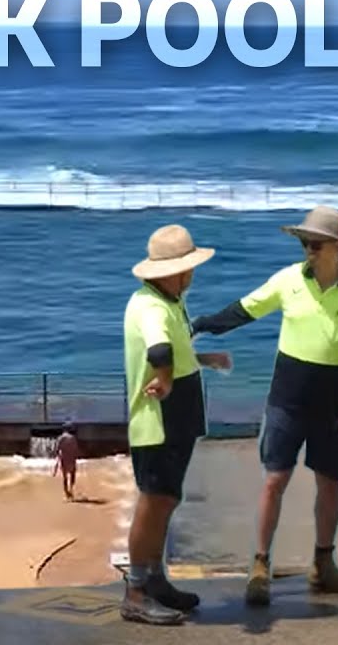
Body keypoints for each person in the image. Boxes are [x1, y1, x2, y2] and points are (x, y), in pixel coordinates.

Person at [191, 206, 338, 606]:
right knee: (275, 480)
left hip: (333, 402)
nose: (308, 249)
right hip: (286, 400)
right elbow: (244, 310)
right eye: (304, 242)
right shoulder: (288, 279)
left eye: (315, 243)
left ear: (337, 248)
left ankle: (323, 565)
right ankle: (260, 565)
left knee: (330, 483)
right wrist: (201, 324)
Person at [121, 224, 230, 626]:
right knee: (153, 501)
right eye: (188, 268)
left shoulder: (169, 302)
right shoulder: (151, 307)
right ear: (174, 271)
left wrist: (204, 360)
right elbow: (159, 350)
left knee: (166, 498)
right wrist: (165, 379)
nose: (192, 275)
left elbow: (173, 349)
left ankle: (155, 581)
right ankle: (135, 591)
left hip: (177, 419)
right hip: (158, 421)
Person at [52, 422, 80, 501]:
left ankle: (66, 492)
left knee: (65, 477)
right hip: (71, 458)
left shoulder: (61, 438)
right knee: (72, 475)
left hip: (64, 458)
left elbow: (57, 449)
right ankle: (71, 489)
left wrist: (57, 456)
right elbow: (76, 450)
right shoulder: (73, 438)